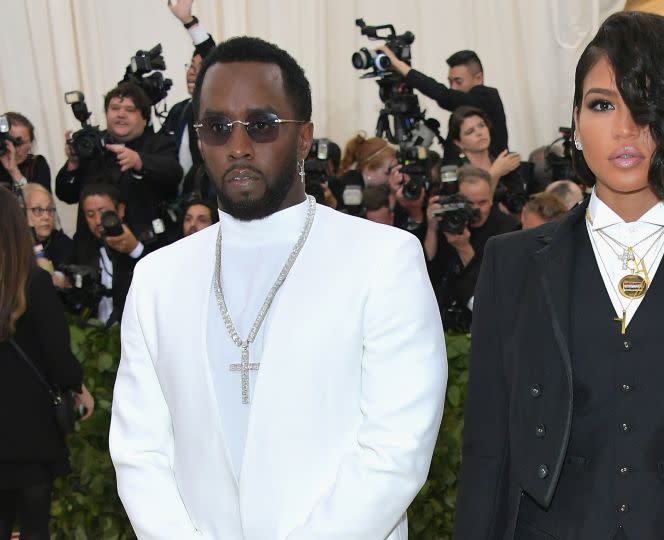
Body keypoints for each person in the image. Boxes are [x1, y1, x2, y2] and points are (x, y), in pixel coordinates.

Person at [453, 12, 664, 540]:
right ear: (575, 119)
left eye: (646, 104)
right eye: (602, 104)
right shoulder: (513, 263)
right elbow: (487, 447)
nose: (625, 128)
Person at [109, 36, 446, 539]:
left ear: (304, 138)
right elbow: (140, 455)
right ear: (200, 140)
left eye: (262, 125)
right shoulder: (158, 278)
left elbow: (395, 449)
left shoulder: (382, 259)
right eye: (218, 127)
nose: (238, 146)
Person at [0, 188, 93, 540]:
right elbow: (58, 356)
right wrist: (77, 387)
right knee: (35, 525)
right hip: (30, 432)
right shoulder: (35, 283)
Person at [55, 82, 182, 243]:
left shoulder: (158, 144)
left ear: (144, 119)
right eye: (115, 108)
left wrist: (138, 161)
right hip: (93, 250)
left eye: (130, 110)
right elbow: (65, 194)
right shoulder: (92, 144)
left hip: (141, 245)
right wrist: (73, 163)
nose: (120, 114)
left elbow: (174, 173)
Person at [424, 165, 518, 331]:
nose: (476, 209)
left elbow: (492, 286)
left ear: (491, 199)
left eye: (482, 202)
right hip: (445, 319)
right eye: (468, 203)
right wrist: (431, 228)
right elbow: (428, 268)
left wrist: (464, 248)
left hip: (483, 323)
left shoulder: (508, 228)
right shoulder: (447, 220)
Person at [377, 47, 509, 158]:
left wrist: (398, 64)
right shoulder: (461, 113)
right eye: (450, 82)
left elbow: (444, 96)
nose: (453, 88)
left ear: (478, 78)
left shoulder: (487, 96)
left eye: (458, 81)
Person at [69, 184, 154, 325]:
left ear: (120, 210)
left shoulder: (143, 236)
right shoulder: (82, 246)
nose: (97, 221)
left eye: (103, 212)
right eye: (90, 215)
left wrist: (134, 249)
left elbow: (155, 279)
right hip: (96, 332)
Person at [161, 0, 217, 197]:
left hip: (208, 198)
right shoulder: (179, 110)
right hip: (178, 201)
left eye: (199, 68)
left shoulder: (219, 111)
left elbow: (215, 57)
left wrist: (189, 22)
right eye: (190, 67)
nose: (192, 74)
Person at [338, 133, 425, 234]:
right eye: (388, 172)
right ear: (369, 169)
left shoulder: (380, 189)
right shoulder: (351, 184)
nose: (393, 177)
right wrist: (392, 195)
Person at [22, 184, 73, 287]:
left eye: (50, 210)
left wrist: (50, 272)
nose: (46, 217)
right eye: (38, 210)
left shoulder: (63, 242)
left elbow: (63, 281)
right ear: (21, 212)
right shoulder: (11, 243)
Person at [1, 112, 51, 192]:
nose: (15, 148)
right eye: (10, 141)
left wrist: (14, 170)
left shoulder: (37, 164)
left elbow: (38, 202)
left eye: (20, 142)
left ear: (30, 142)